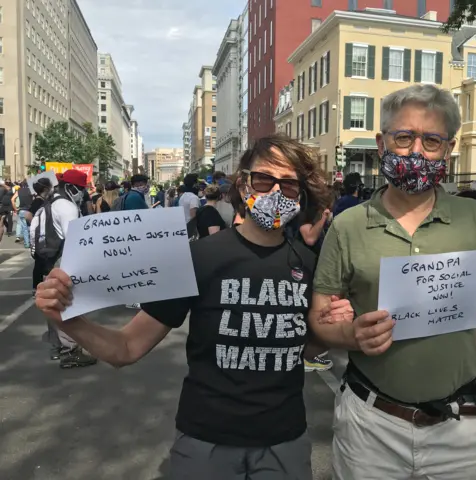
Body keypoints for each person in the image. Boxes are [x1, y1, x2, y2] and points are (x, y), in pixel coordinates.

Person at [35, 134, 349, 479]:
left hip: (284, 441)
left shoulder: (308, 263)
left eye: (289, 185)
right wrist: (66, 319)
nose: (276, 192)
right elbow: (127, 347)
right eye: (264, 179)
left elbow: (302, 347)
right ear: (244, 184)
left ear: (299, 194)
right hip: (205, 442)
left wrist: (331, 329)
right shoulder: (198, 258)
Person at [309, 84, 476, 479]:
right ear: (381, 142)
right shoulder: (348, 226)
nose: (416, 151)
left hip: (462, 427)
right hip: (371, 426)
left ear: (449, 149)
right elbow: (319, 320)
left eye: (432, 140)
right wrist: (351, 335)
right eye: (403, 137)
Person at [30, 170, 97, 368]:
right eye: (80, 189)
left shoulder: (46, 206)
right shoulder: (67, 206)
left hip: (46, 260)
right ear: (70, 187)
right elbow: (75, 238)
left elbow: (33, 228)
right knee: (67, 305)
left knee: (53, 303)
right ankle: (72, 351)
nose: (82, 193)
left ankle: (58, 347)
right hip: (64, 260)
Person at [13, 182, 33, 248]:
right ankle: (32, 242)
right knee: (31, 226)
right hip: (30, 210)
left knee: (24, 228)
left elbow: (12, 199)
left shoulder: (19, 191)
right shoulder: (31, 190)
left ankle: (27, 243)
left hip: (22, 210)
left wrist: (15, 209)